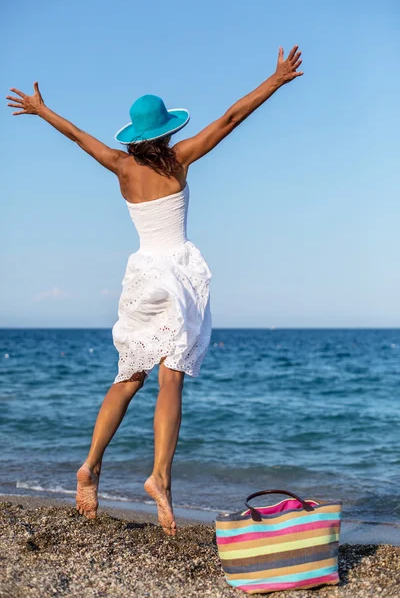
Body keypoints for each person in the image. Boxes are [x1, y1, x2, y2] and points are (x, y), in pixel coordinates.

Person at [6, 45, 302, 536]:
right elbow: (228, 119)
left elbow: (82, 139)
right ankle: (160, 477)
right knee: (171, 378)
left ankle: (91, 465)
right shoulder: (178, 160)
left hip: (141, 275)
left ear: (135, 135)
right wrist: (274, 82)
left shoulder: (122, 168)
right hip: (176, 273)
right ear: (166, 131)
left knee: (128, 376)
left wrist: (41, 110)